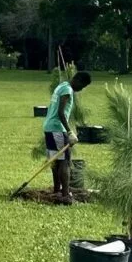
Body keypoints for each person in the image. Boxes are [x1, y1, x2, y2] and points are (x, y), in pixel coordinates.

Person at [43, 71, 92, 203]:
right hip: (58, 128)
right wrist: (70, 132)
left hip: (49, 127)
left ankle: (57, 190)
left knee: (56, 159)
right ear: (78, 80)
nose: (81, 89)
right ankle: (65, 195)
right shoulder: (67, 90)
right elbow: (61, 112)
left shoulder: (61, 86)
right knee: (64, 160)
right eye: (82, 86)